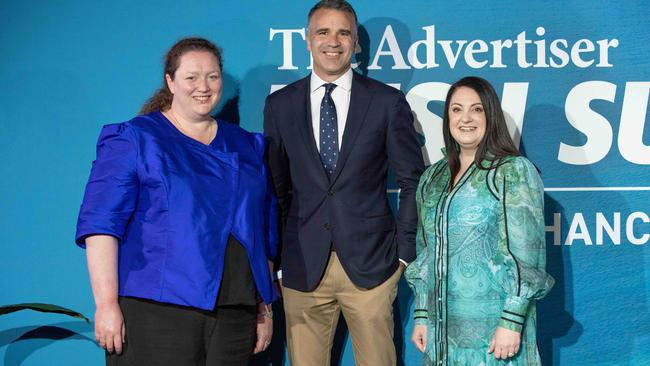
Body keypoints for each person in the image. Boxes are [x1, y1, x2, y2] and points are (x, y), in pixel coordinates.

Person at [75, 37, 277, 366]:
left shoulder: (247, 146)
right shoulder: (136, 137)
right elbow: (101, 226)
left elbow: (264, 230)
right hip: (158, 309)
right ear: (170, 81)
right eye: (191, 77)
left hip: (234, 312)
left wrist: (264, 305)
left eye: (212, 76)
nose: (204, 86)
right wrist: (106, 304)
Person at [264, 1, 425, 365]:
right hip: (302, 267)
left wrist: (402, 257)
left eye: (343, 32)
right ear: (307, 40)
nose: (332, 41)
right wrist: (278, 260)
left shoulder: (387, 102)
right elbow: (275, 189)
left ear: (355, 43)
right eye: (323, 31)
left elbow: (413, 181)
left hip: (373, 266)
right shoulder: (280, 105)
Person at [405, 76, 555, 365]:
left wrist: (512, 320)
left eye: (477, 109)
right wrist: (422, 314)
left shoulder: (512, 171)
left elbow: (527, 254)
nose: (466, 118)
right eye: (457, 109)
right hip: (443, 336)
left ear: (491, 116)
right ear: (447, 117)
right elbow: (425, 253)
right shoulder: (432, 178)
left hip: (495, 332)